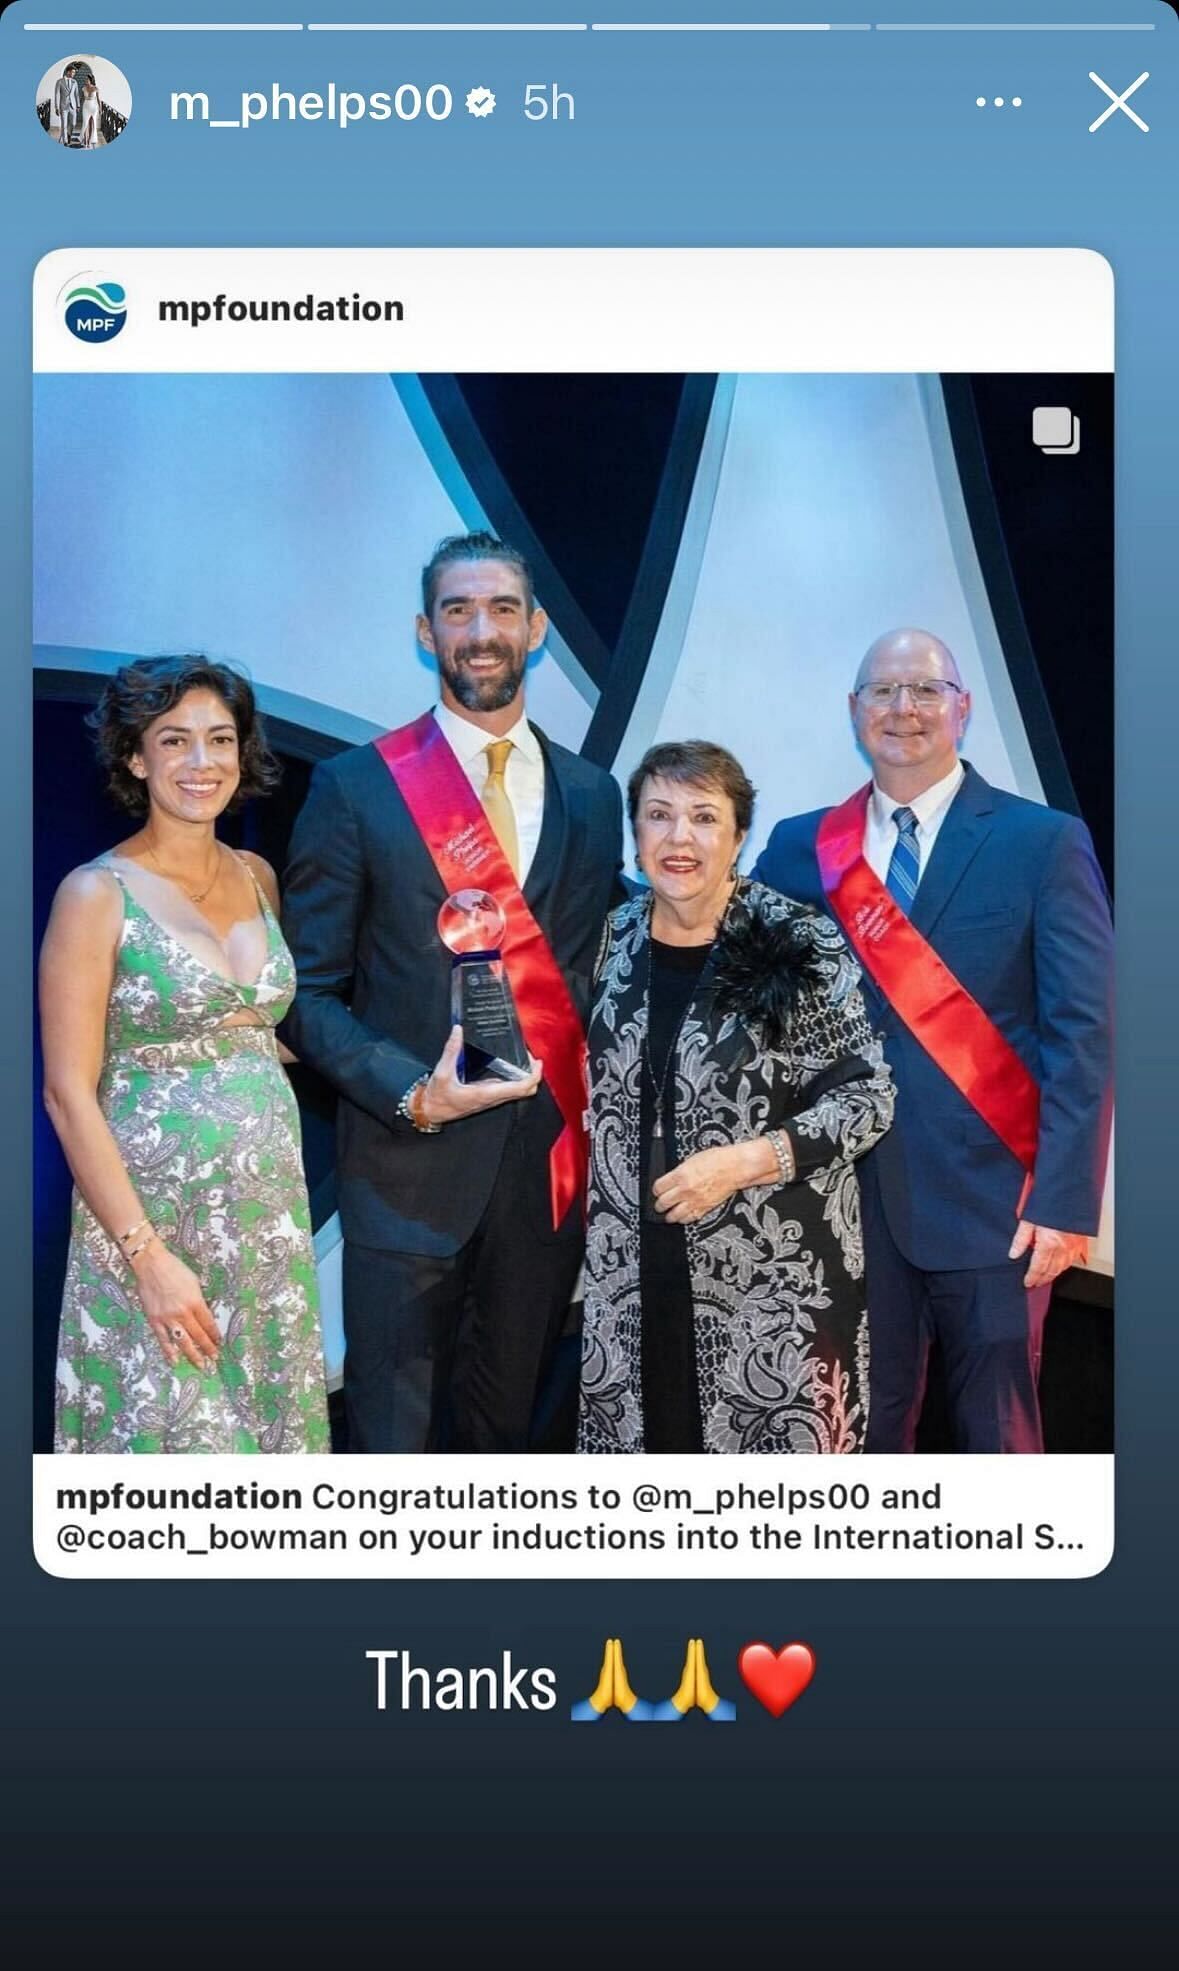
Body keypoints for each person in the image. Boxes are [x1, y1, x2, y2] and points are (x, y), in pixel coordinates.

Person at [283, 531, 624, 1454]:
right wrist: (411, 1091)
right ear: (425, 632)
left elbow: (594, 979)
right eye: (459, 611)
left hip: (543, 1179)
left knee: (502, 1443)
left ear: (538, 628)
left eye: (503, 609)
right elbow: (304, 994)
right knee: (393, 1450)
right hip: (404, 1173)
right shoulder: (354, 787)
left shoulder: (596, 796)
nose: (482, 631)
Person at [753, 629, 1114, 1454]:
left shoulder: (1043, 842)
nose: (902, 709)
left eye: (923, 689)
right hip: (841, 1199)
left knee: (997, 1435)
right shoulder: (798, 847)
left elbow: (1082, 1034)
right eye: (881, 691)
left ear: (962, 706)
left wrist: (1063, 1199)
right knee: (856, 1435)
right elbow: (756, 1015)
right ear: (853, 711)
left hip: (996, 1205)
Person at [41, 657, 330, 1455]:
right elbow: (68, 1092)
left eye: (219, 739)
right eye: (176, 741)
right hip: (152, 1230)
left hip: (266, 1231)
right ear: (136, 756)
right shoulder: (95, 893)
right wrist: (149, 1260)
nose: (202, 763)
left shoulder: (257, 875)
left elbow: (254, 1040)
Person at [578, 741, 893, 1456]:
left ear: (739, 835)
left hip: (772, 1276)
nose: (678, 837)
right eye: (657, 815)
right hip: (633, 1266)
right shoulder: (611, 938)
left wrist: (744, 1161)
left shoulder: (797, 939)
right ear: (634, 832)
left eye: (703, 817)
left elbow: (866, 1098)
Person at [80, 74, 101, 148]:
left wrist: (100, 109)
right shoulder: (83, 88)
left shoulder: (96, 88)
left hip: (94, 107)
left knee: (92, 124)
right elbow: (82, 98)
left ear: (91, 80)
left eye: (87, 79)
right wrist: (78, 107)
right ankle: (85, 140)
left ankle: (88, 141)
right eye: (85, 79)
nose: (86, 80)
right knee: (85, 124)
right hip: (85, 107)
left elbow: (98, 99)